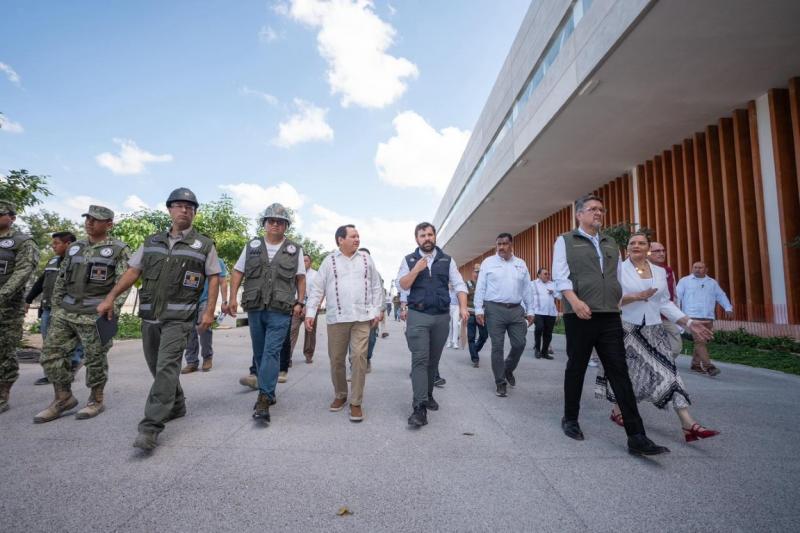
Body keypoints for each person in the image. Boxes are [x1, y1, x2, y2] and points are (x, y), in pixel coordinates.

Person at [98, 189, 219, 450]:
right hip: (150, 316)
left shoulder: (204, 245)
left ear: (195, 213)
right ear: (169, 210)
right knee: (156, 366)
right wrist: (111, 297)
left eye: (190, 207)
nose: (184, 210)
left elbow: (214, 278)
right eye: (179, 205)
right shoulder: (151, 241)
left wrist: (209, 311)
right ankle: (176, 404)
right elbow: (133, 271)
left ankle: (150, 426)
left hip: (180, 318)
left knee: (166, 367)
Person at [552, 194, 669, 456]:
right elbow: (560, 276)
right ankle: (570, 418)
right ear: (579, 214)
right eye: (592, 209)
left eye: (601, 210)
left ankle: (637, 436)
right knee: (577, 367)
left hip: (609, 316)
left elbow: (616, 278)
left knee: (620, 372)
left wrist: (618, 302)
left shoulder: (611, 242)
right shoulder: (566, 241)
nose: (598, 213)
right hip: (579, 313)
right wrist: (573, 301)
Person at [598, 233, 720, 443]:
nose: (636, 246)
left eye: (641, 243)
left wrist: (688, 322)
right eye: (632, 243)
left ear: (647, 248)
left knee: (669, 373)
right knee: (626, 373)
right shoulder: (618, 270)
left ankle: (688, 423)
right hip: (626, 328)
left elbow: (664, 303)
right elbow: (610, 299)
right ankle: (618, 409)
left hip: (654, 329)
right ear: (627, 248)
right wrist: (636, 297)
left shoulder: (660, 272)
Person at [35, 206, 130, 423]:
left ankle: (96, 400)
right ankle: (63, 397)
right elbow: (61, 279)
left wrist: (112, 309)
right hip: (66, 312)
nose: (89, 222)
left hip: (95, 314)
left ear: (108, 224)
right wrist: (57, 307)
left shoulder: (118, 249)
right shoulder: (75, 248)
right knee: (50, 355)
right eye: (87, 218)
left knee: (95, 359)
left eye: (95, 220)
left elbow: (124, 283)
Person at [225, 203, 305, 424]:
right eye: (271, 221)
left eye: (280, 222)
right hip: (255, 306)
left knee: (271, 352)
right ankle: (267, 389)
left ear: (286, 226)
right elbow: (238, 271)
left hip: (280, 308)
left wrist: (300, 301)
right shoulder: (251, 246)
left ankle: (264, 397)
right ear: (264, 224)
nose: (275, 225)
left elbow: (300, 277)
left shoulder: (295, 249)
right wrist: (232, 298)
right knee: (259, 352)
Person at [305, 225, 383, 423]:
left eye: (358, 236)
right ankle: (340, 394)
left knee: (358, 357)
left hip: (362, 318)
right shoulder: (329, 261)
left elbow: (376, 286)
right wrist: (311, 312)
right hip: (337, 319)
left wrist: (376, 310)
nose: (357, 239)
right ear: (340, 239)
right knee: (336, 359)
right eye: (353, 236)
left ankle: (356, 402)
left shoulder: (366, 259)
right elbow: (317, 288)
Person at [397, 222, 468, 428]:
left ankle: (427, 395)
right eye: (422, 235)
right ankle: (419, 407)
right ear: (416, 239)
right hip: (418, 315)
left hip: (441, 317)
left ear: (435, 236)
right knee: (420, 359)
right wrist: (416, 269)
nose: (426, 238)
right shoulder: (409, 260)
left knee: (433, 361)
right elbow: (401, 285)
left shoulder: (447, 260)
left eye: (429, 234)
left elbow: (459, 284)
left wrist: (463, 307)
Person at [474, 233, 535, 397]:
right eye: (498, 244)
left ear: (511, 245)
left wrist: (530, 310)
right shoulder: (488, 262)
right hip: (494, 309)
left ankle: (507, 368)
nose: (501, 247)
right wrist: (478, 309)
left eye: (504, 244)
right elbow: (481, 286)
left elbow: (527, 289)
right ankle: (500, 382)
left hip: (516, 310)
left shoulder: (521, 264)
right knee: (497, 346)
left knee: (520, 344)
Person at [26, 231, 85, 385]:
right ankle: (52, 373)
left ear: (69, 244)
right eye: (53, 243)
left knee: (71, 342)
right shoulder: (52, 262)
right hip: (48, 308)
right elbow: (40, 282)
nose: (53, 246)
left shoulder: (80, 262)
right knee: (49, 342)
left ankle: (72, 365)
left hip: (68, 309)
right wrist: (28, 299)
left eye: (56, 243)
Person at [0, 200, 39, 414]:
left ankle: (2, 395)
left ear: (12, 218)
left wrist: (2, 295)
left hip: (7, 309)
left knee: (4, 351)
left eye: (1, 214)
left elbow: (23, 272)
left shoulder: (22, 242)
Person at [676, 262, 733, 376]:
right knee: (700, 340)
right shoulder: (685, 281)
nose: (697, 270)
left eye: (700, 267)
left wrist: (728, 308)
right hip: (692, 317)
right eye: (695, 267)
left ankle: (696, 365)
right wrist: (677, 314)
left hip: (708, 317)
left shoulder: (712, 283)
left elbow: (721, 295)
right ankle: (709, 366)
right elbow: (677, 296)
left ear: (706, 269)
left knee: (702, 341)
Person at [181, 257, 228, 373]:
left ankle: (207, 357)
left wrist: (224, 301)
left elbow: (222, 282)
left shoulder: (217, 261)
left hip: (206, 299)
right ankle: (192, 362)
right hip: (189, 299)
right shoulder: (191, 258)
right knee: (189, 330)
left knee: (204, 327)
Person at [648, 242, 682, 358]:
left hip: (666, 316)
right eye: (657, 251)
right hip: (648, 317)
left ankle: (662, 364)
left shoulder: (668, 270)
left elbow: (674, 294)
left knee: (676, 347)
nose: (661, 253)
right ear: (648, 253)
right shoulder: (640, 270)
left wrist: (677, 315)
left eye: (663, 250)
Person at [530, 267, 558, 360]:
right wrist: (529, 312)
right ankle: (537, 349)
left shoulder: (553, 284)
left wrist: (553, 292)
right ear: (539, 275)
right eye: (545, 274)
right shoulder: (532, 284)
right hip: (538, 312)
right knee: (539, 328)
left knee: (548, 333)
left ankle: (544, 352)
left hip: (551, 313)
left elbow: (559, 296)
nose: (547, 275)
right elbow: (527, 297)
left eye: (548, 274)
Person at [465, 264, 488, 368]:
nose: (477, 274)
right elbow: (465, 296)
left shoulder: (485, 285)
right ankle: (475, 358)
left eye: (479, 272)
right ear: (473, 273)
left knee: (484, 336)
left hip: (482, 314)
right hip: (470, 313)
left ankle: (474, 350)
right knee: (471, 337)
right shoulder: (468, 284)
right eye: (476, 272)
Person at [446, 284, 461, 348]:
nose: (451, 285)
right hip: (448, 307)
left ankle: (455, 342)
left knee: (455, 325)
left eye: (452, 284)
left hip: (456, 307)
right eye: (450, 284)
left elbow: (460, 301)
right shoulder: (446, 291)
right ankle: (449, 342)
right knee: (449, 325)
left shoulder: (457, 291)